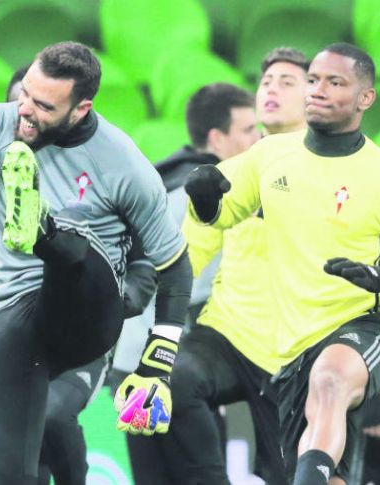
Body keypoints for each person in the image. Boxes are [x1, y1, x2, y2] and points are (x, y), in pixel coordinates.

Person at [0, 41, 192, 484]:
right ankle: (37, 228)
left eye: (43, 105)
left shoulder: (124, 165)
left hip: (85, 316)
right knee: (6, 475)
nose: (26, 111)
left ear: (81, 107)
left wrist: (158, 364)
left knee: (73, 255)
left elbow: (175, 266)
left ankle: (42, 230)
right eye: (25, 96)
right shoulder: (0, 121)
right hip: (10, 316)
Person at [183, 43, 380, 485]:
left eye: (335, 82)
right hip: (288, 346)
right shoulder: (267, 156)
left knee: (330, 381)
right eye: (313, 80)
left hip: (361, 326)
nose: (319, 90)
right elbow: (218, 214)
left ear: (365, 98)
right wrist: (203, 196)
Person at [113, 81, 265, 484]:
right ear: (217, 138)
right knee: (202, 474)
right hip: (167, 363)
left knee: (154, 477)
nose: (260, 137)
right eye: (249, 129)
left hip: (133, 362)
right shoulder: (202, 195)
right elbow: (188, 282)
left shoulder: (165, 179)